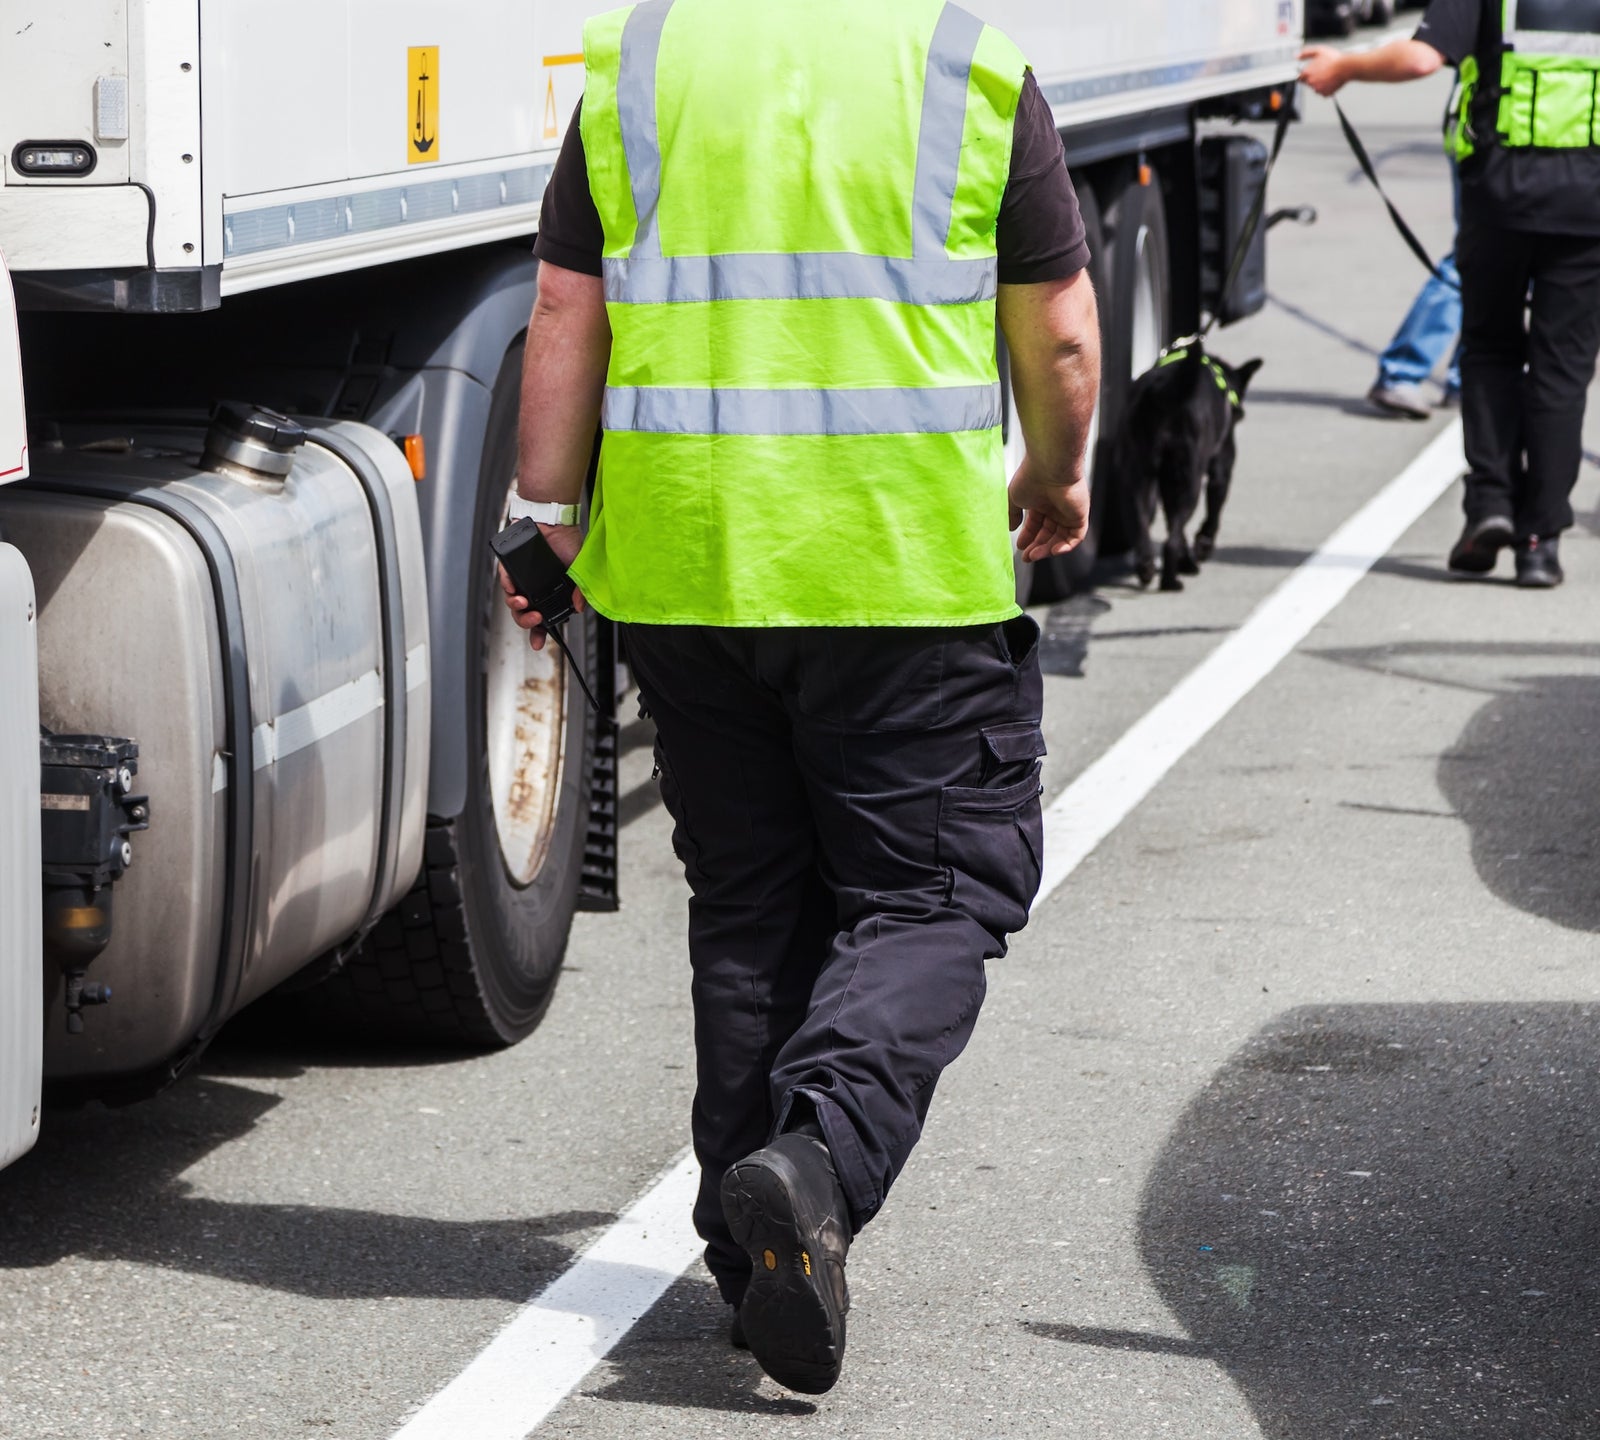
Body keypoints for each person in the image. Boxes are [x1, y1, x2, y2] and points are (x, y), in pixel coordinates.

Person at [500, 0, 1098, 1396]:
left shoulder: (641, 60)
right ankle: (814, 1166)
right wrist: (1060, 477)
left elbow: (561, 308)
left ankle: (755, 1258)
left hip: (695, 573)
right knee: (937, 894)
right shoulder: (967, 68)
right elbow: (1060, 336)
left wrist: (548, 510)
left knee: (754, 906)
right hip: (900, 574)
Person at [1302, 0, 1600, 587]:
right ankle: (1540, 542)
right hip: (1589, 205)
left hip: (1500, 196)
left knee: (1489, 350)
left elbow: (1419, 60)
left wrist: (1344, 68)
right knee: (1560, 375)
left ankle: (1489, 504)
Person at [1367, 165, 1462, 419]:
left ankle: (1470, 379)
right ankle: (1402, 372)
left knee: (1501, 262)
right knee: (1474, 257)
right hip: (1498, 146)